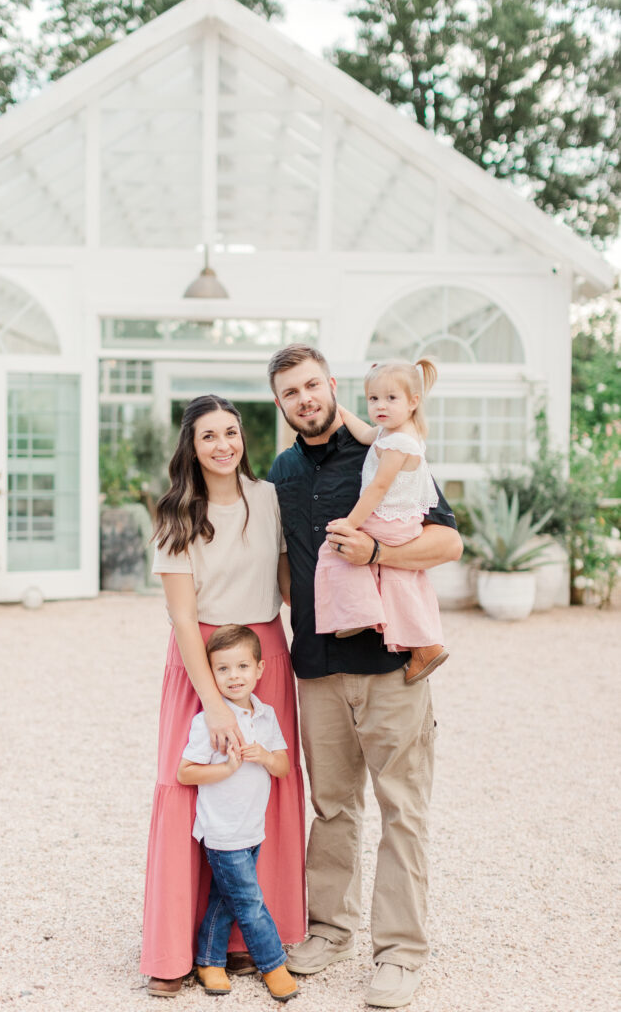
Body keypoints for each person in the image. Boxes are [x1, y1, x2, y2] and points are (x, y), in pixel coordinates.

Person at [266, 345, 462, 1010]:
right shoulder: (280, 472)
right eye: (290, 391)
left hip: (389, 670)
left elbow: (447, 543)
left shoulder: (385, 449)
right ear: (280, 403)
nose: (304, 399)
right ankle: (328, 931)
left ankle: (401, 954)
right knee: (332, 809)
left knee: (402, 812)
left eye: (312, 385)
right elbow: (281, 568)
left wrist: (377, 550)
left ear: (331, 387)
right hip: (316, 669)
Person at [140, 395, 306, 998]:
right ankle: (171, 949)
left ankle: (243, 943)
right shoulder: (176, 514)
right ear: (192, 445)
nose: (222, 444)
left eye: (231, 432)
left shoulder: (267, 498)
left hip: (264, 653)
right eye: (208, 435)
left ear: (244, 437)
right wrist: (211, 699)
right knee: (192, 785)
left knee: (262, 784)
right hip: (201, 654)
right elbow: (182, 619)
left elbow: (286, 580)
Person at [177, 624, 298, 1003]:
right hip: (222, 831)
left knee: (225, 898)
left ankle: (209, 960)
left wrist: (263, 755)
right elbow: (185, 772)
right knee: (248, 901)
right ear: (210, 674)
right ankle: (273, 964)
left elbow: (283, 767)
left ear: (259, 670)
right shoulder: (208, 721)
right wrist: (226, 770)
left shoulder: (265, 716)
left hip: (252, 828)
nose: (234, 676)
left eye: (242, 667)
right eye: (223, 669)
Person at [314, 358, 448, 685]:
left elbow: (378, 488)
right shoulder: (394, 432)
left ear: (413, 402)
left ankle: (357, 614)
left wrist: (350, 524)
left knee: (334, 550)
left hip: (389, 519)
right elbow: (363, 433)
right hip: (400, 519)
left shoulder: (399, 443)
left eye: (391, 398)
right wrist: (339, 410)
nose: (380, 406)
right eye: (373, 399)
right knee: (396, 580)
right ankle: (425, 644)